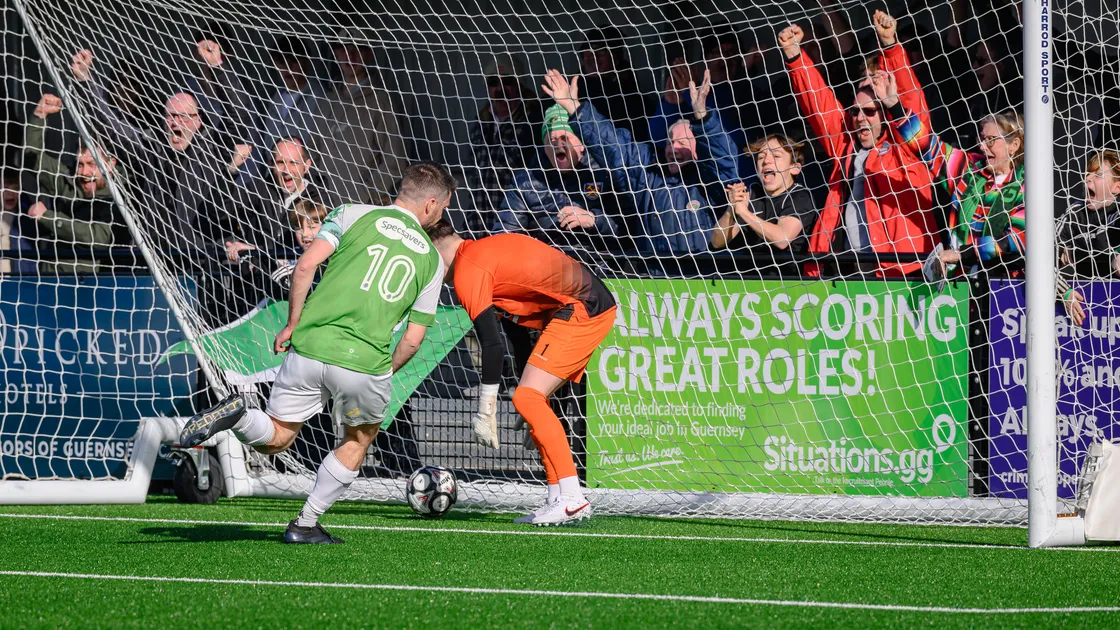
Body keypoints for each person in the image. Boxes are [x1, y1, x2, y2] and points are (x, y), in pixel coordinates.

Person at [178, 162, 455, 544]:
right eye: (442, 208)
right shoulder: (431, 260)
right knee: (358, 440)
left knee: (277, 436)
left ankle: (240, 414)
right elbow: (413, 338)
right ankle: (305, 523)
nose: (441, 215)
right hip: (364, 360)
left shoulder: (350, 212)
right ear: (430, 204)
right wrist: (385, 371)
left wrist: (292, 325)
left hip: (309, 344)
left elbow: (305, 265)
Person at [425, 218, 616, 526]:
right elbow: (515, 336)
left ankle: (572, 498)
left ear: (433, 252)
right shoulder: (481, 257)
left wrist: (485, 411)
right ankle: (558, 497)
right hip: (579, 304)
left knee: (528, 398)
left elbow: (492, 345)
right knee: (529, 399)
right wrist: (534, 404)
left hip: (584, 306)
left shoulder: (468, 270)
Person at [779, 13, 937, 276]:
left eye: (870, 111)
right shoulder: (847, 146)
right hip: (848, 271)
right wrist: (795, 57)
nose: (861, 118)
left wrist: (890, 46)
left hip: (904, 270)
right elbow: (820, 104)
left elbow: (910, 99)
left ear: (886, 112)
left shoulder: (905, 144)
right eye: (855, 111)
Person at [543, 69, 739, 256]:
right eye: (670, 141)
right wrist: (574, 108)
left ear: (698, 150)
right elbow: (613, 146)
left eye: (682, 142)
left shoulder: (709, 182)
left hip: (702, 286)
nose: (673, 148)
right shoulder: (648, 177)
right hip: (654, 281)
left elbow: (723, 158)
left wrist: (703, 118)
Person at [879, 72, 1025, 280]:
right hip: (959, 283)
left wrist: (961, 254)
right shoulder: (969, 169)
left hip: (1002, 289)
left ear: (1014, 145)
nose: (983, 147)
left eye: (991, 140)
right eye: (981, 139)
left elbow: (1014, 241)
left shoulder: (1027, 186)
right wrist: (895, 105)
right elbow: (927, 145)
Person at [23, 93, 132, 273]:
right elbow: (32, 159)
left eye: (91, 165)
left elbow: (97, 239)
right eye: (80, 164)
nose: (84, 172)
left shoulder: (121, 194)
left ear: (110, 165)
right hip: (52, 281)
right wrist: (39, 116)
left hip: (93, 288)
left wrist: (49, 217)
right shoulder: (69, 180)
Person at [492, 103, 622, 253]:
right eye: (551, 140)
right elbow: (506, 236)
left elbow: (627, 231)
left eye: (565, 138)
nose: (558, 145)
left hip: (599, 270)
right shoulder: (525, 182)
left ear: (582, 144)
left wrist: (594, 220)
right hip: (545, 269)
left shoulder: (605, 173)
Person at [314, 28, 408, 206]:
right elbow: (312, 150)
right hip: (325, 205)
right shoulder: (327, 99)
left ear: (369, 54)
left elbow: (395, 160)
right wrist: (317, 193)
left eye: (358, 49)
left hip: (364, 207)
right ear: (336, 54)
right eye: (344, 49)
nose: (351, 56)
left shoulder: (381, 100)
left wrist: (367, 194)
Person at [710, 134, 817, 272]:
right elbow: (717, 242)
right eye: (761, 157)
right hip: (749, 283)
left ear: (795, 168)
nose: (766, 161)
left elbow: (781, 239)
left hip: (789, 285)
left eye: (776, 156)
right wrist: (732, 208)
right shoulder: (753, 193)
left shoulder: (800, 196)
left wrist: (743, 212)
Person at [465, 53, 544, 226]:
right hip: (478, 225)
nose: (500, 89)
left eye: (507, 81)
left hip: (516, 226)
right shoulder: (480, 123)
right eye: (493, 82)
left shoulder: (534, 122)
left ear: (520, 85)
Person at [1057, 150, 1120, 325]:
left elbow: (1107, 240)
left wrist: (1074, 252)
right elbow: (1041, 260)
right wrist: (1064, 292)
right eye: (1087, 174)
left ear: (1117, 187)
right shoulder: (1075, 213)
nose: (1087, 179)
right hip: (1088, 310)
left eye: (1098, 175)